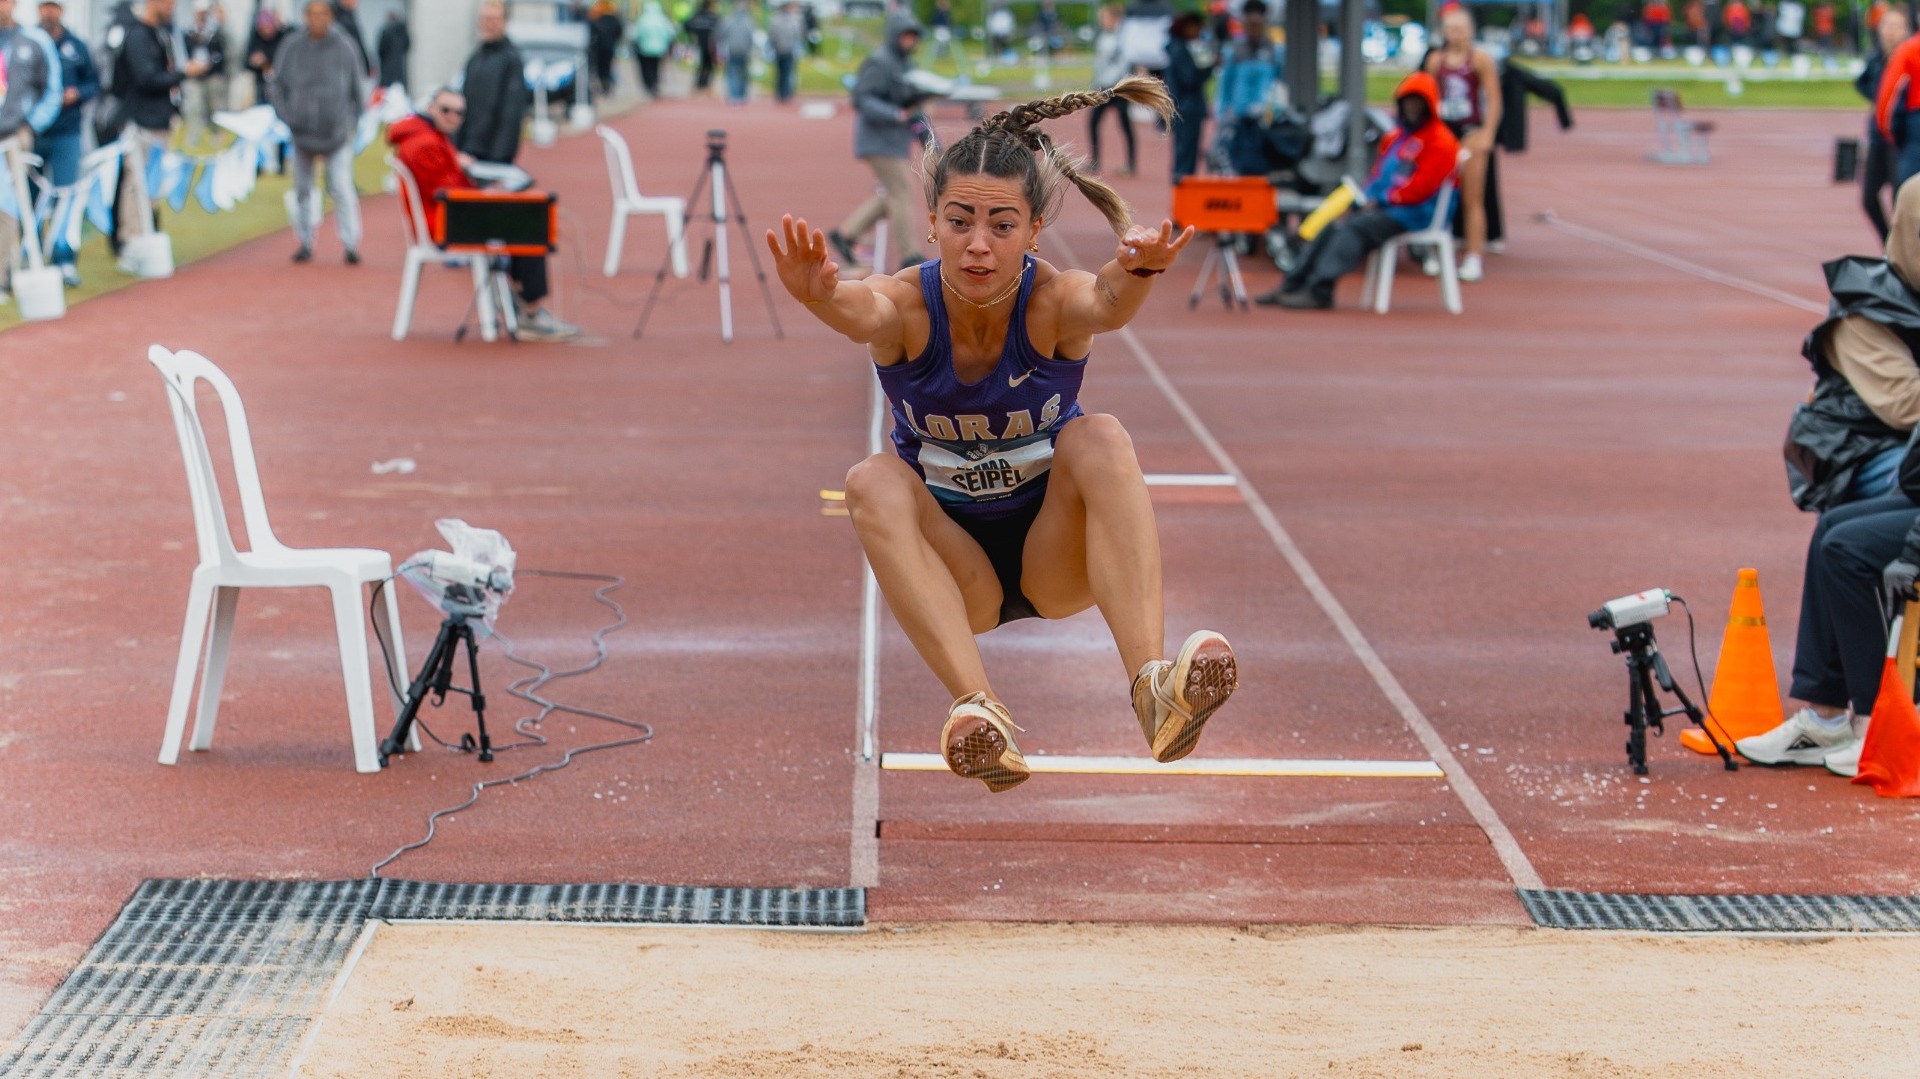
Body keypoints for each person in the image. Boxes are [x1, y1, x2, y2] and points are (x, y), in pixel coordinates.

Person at [765, 77, 1237, 793]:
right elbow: (860, 308)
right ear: (932, 222)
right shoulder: (907, 306)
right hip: (960, 576)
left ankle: (1153, 687)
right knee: (870, 479)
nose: (978, 246)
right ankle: (979, 710)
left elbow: (1105, 300)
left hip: (1058, 560)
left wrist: (1139, 270)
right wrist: (818, 294)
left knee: (1101, 436)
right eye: (960, 222)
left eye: (1002, 226)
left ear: (1033, 230)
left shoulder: (1050, 302)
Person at [1745, 194, 1920, 775]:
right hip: (1866, 450)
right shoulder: (1865, 307)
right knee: (1837, 530)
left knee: (1848, 544)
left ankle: (1874, 723)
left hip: (1904, 459)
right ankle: (1826, 715)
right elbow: (1904, 406)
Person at [389, 87, 580, 343]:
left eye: (459, 113)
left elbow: (446, 186)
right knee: (530, 222)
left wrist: (467, 172)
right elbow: (446, 193)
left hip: (448, 214)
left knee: (522, 213)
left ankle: (520, 302)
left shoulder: (427, 135)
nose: (453, 117)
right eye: (446, 110)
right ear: (431, 108)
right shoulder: (424, 144)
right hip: (445, 222)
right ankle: (531, 311)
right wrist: (486, 192)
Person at [1254, 72, 1458, 310]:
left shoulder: (1441, 141)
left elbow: (1421, 189)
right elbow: (1378, 177)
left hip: (1414, 213)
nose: (1413, 109)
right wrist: (1362, 200)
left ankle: (1320, 290)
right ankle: (1292, 284)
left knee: (1354, 228)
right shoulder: (1397, 138)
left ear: (1429, 106)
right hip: (1386, 206)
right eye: (1408, 103)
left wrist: (1380, 201)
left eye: (1418, 104)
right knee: (1333, 222)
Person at [828, 11, 927, 272]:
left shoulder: (907, 65)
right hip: (878, 140)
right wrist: (894, 114)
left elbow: (912, 104)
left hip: (896, 141)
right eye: (906, 35)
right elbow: (862, 99)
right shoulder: (879, 62)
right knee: (902, 193)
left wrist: (927, 135)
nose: (910, 41)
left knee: (894, 195)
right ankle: (910, 255)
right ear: (894, 35)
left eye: (913, 36)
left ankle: (846, 234)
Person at [272, 0, 366, 264]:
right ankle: (305, 241)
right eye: (313, 14)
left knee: (341, 187)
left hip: (337, 132)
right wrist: (288, 116)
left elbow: (358, 87)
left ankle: (351, 243)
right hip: (301, 133)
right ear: (305, 17)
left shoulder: (344, 46)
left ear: (331, 16)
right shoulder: (292, 46)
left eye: (323, 14)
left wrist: (352, 121)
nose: (318, 19)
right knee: (302, 189)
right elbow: (276, 85)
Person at [1424, 5, 1501, 282]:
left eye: (1459, 29)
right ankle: (1433, 251)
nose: (1454, 35)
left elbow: (1493, 98)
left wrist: (1488, 133)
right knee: (1436, 195)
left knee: (1472, 197)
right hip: (1444, 135)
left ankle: (1473, 255)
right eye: (1450, 29)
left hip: (1470, 133)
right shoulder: (1436, 60)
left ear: (1470, 31)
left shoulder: (1479, 60)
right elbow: (1428, 97)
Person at [33, 0, 97, 288]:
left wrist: (77, 93)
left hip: (67, 130)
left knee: (66, 194)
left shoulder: (76, 45)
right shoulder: (28, 41)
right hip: (34, 132)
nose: (49, 12)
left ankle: (64, 259)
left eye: (54, 7)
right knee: (30, 197)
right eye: (45, 6)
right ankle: (32, 256)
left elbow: (93, 82)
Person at [0, 0, 60, 303]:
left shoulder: (34, 41)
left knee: (6, 203)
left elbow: (53, 88)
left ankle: (3, 277)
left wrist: (31, 123)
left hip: (14, 136)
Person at [456, 1, 529, 167]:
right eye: (484, 18)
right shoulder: (476, 57)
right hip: (468, 149)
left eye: (493, 19)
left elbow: (511, 112)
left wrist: (500, 156)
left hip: (493, 154)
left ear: (504, 22)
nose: (487, 23)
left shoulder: (511, 60)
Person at [1214, 0, 1279, 172]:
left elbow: (1279, 84)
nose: (1254, 26)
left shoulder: (1273, 51)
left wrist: (1274, 110)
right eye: (1251, 22)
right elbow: (1225, 86)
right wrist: (1221, 115)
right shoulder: (1235, 51)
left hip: (1264, 120)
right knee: (1237, 165)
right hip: (1238, 118)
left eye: (1258, 22)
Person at [1860, 9, 1908, 242]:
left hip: (1900, 139)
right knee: (1869, 198)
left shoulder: (1910, 57)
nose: (1890, 31)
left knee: (1901, 197)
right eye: (1886, 25)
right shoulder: (1876, 59)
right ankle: (1890, 244)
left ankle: (1902, 250)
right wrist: (1878, 99)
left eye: (1897, 25)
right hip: (1878, 136)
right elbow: (1862, 82)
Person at [1086, 3, 1135, 176]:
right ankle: (1095, 160)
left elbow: (1124, 64)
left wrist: (1116, 85)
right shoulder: (1103, 37)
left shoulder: (1123, 39)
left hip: (1117, 89)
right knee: (1093, 122)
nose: (1102, 21)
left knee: (1125, 124)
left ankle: (1131, 163)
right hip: (1103, 87)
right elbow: (1100, 65)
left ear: (1114, 19)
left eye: (1104, 17)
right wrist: (1096, 85)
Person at [1164, 12, 1213, 183]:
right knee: (1186, 152)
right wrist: (1208, 67)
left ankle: (1182, 184)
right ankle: (1183, 186)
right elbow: (1190, 79)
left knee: (1184, 150)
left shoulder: (1176, 48)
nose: (1199, 32)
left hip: (1183, 105)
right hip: (1188, 106)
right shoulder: (1181, 50)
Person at [181, 0, 228, 148]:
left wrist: (210, 64)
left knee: (215, 107)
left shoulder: (214, 32)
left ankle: (216, 135)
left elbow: (222, 52)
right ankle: (194, 137)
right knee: (194, 107)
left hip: (212, 75)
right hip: (195, 77)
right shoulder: (189, 32)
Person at [630, 0, 675, 98]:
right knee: (656, 67)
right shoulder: (663, 19)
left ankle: (648, 84)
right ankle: (654, 83)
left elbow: (634, 35)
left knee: (646, 67)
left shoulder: (642, 20)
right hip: (659, 48)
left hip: (644, 48)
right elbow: (671, 33)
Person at [245, 6, 286, 105]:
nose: (266, 31)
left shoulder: (282, 37)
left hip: (280, 81)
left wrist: (267, 60)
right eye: (263, 28)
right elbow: (246, 61)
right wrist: (254, 61)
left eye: (268, 27)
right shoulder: (255, 39)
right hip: (260, 83)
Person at [717, 0, 755, 105]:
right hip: (744, 51)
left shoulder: (729, 20)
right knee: (743, 73)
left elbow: (721, 34)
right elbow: (751, 36)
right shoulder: (749, 21)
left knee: (732, 73)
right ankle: (741, 95)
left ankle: (734, 95)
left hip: (732, 50)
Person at [768, 0, 803, 104]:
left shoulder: (777, 20)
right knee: (784, 73)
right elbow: (797, 34)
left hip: (783, 49)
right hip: (785, 49)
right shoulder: (791, 20)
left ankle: (783, 93)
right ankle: (784, 94)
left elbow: (773, 34)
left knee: (784, 73)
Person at [683, 0, 719, 96]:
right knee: (709, 66)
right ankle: (704, 85)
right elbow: (720, 29)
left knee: (701, 66)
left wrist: (692, 35)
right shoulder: (713, 17)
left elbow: (686, 25)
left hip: (699, 45)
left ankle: (699, 85)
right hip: (710, 46)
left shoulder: (696, 16)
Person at [587, 0, 622, 97]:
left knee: (600, 67)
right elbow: (619, 31)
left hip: (599, 48)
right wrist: (614, 40)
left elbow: (593, 32)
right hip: (610, 46)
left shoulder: (597, 19)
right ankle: (606, 84)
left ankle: (605, 84)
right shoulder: (614, 20)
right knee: (607, 66)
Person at [330, 0, 371, 75]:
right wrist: (366, 65)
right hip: (345, 65)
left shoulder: (345, 15)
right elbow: (356, 44)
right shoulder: (344, 20)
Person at [376, 9, 410, 91]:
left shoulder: (386, 32)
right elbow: (407, 46)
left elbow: (381, 50)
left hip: (387, 69)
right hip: (400, 69)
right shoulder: (402, 32)